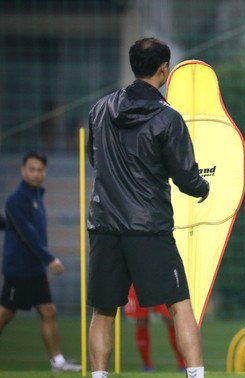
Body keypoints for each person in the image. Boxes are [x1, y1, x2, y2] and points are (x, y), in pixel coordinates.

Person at [86, 37, 209, 378]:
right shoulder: (168, 117)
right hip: (148, 226)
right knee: (179, 303)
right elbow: (186, 176)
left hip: (104, 222)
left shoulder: (99, 109)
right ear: (164, 69)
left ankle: (98, 376)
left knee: (104, 309)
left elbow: (93, 158)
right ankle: (196, 375)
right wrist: (204, 187)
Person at [0, 152, 81, 372]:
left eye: (40, 170)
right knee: (5, 314)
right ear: (23, 170)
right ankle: (58, 361)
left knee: (48, 311)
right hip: (19, 268)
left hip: (34, 269)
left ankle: (58, 362)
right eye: (32, 169)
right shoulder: (16, 199)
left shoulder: (36, 196)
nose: (36, 174)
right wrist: (50, 259)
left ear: (45, 172)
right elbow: (27, 235)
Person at [124, 285, 186, 371]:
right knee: (141, 321)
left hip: (161, 282)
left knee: (171, 319)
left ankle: (182, 363)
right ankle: (147, 365)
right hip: (138, 282)